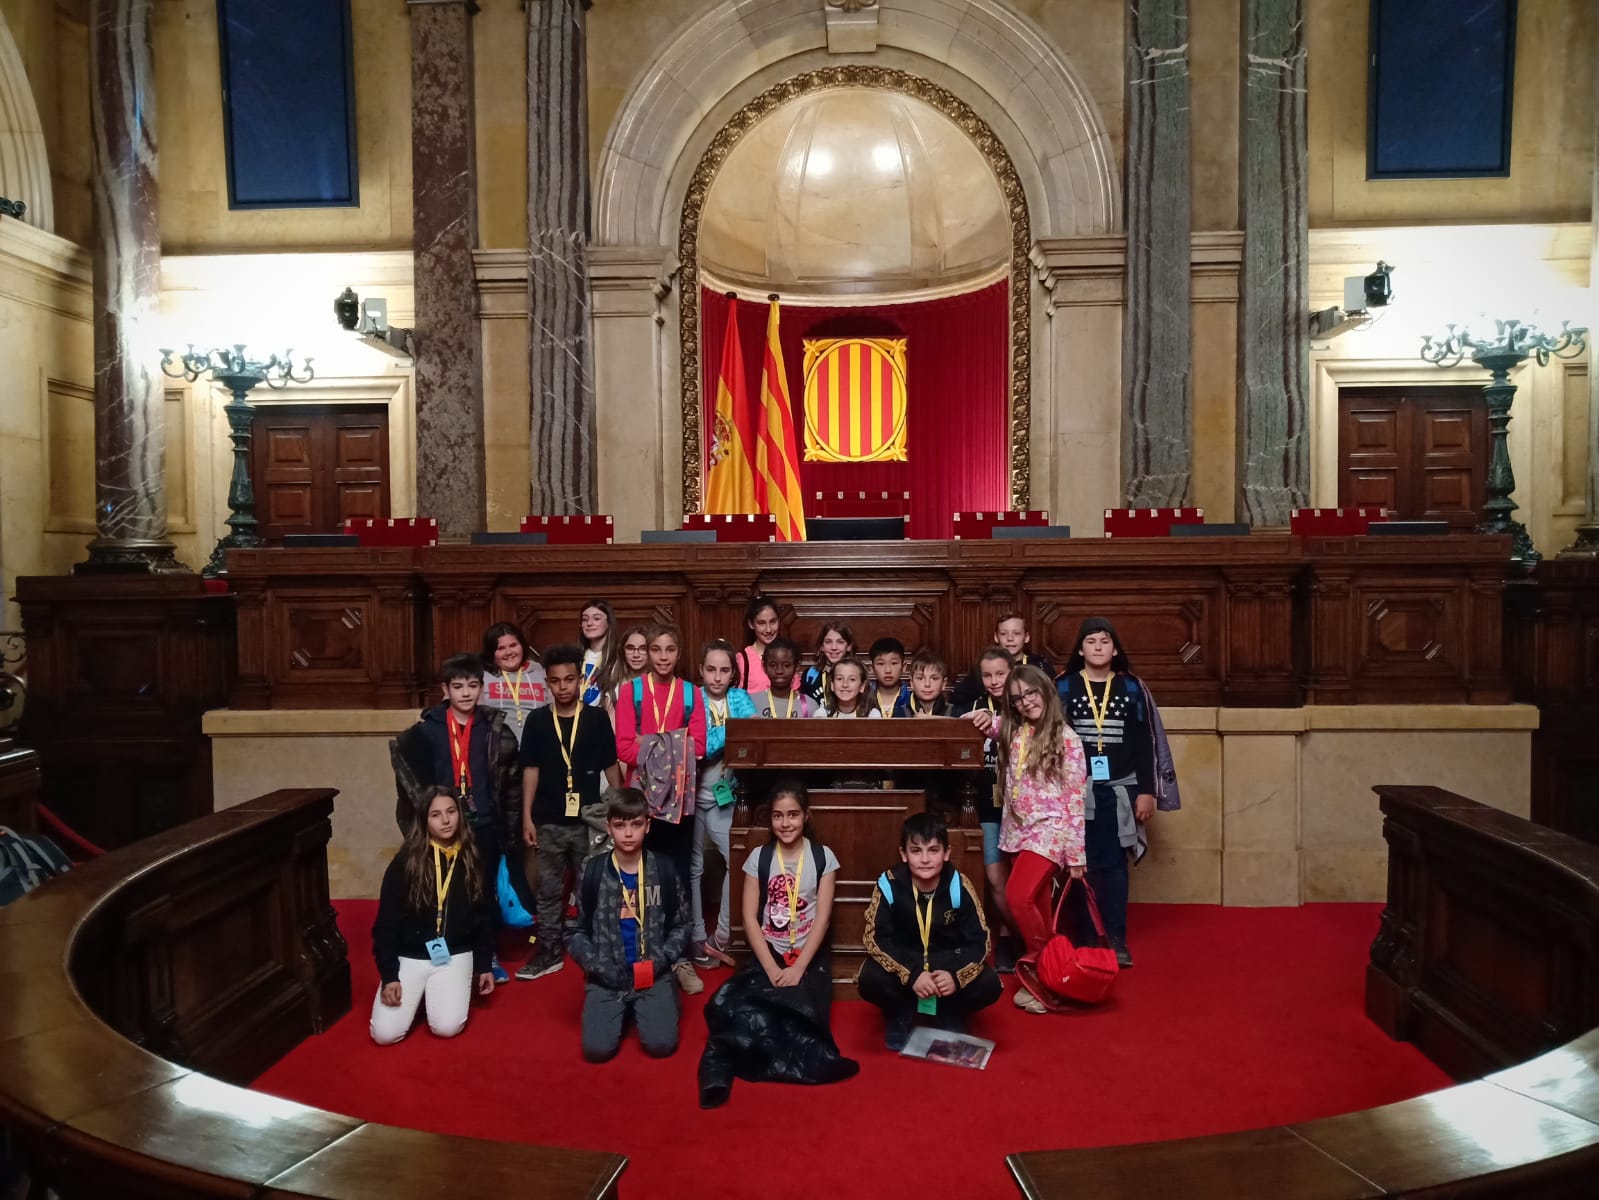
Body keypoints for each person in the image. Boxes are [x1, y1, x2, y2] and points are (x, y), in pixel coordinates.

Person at [697, 780, 859, 1106]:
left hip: (807, 955)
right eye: (778, 816)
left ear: (806, 816)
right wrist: (771, 967)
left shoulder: (823, 857)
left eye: (793, 815)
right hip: (769, 951)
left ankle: (766, 1059)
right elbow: (749, 917)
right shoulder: (760, 857)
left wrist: (798, 968)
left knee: (798, 1016)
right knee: (735, 1009)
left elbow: (823, 919)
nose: (785, 823)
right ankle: (717, 1072)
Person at [390, 652, 523, 983]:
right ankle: (446, 952)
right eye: (458, 686)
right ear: (445, 690)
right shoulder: (425, 733)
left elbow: (511, 786)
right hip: (443, 828)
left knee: (484, 891)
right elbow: (409, 791)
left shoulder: (495, 730)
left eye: (473, 685)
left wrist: (512, 831)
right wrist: (418, 830)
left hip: (484, 824)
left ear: (481, 688)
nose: (466, 693)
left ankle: (486, 957)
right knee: (444, 891)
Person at [517, 643, 621, 981]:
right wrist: (527, 816)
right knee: (548, 890)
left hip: (589, 820)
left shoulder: (596, 719)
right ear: (547, 682)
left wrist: (619, 809)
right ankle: (548, 950)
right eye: (556, 680)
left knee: (593, 887)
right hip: (548, 820)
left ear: (580, 680)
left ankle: (596, 946)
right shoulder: (537, 721)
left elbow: (610, 766)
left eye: (569, 679)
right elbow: (530, 770)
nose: (563, 687)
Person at [614, 622, 707, 994]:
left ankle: (680, 956)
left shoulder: (690, 694)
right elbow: (624, 748)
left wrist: (648, 743)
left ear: (679, 654)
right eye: (656, 650)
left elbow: (699, 747)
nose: (663, 657)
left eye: (670, 650)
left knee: (678, 877)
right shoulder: (631, 691)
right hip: (641, 801)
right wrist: (674, 745)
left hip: (680, 801)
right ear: (647, 653)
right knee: (641, 876)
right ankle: (643, 952)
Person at [1057, 617, 1157, 967]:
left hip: (1119, 791)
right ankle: (1085, 937)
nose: (1098, 647)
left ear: (1115, 649)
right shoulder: (1064, 686)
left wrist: (1147, 791)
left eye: (1104, 641)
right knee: (1079, 865)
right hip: (1075, 792)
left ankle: (1116, 938)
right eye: (1091, 641)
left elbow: (1144, 743)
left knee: (1114, 866)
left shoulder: (1131, 687)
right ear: (1080, 649)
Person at [859, 811, 1001, 1049]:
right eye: (916, 851)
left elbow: (980, 940)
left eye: (933, 850)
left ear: (946, 853)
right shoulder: (889, 883)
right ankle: (900, 1012)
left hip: (946, 965)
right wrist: (912, 974)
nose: (925, 859)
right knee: (869, 978)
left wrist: (955, 976)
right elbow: (875, 938)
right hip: (907, 965)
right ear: (904, 854)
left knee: (990, 983)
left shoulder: (959, 885)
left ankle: (950, 1012)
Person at [569, 788, 691, 1062]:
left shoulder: (663, 868)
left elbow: (683, 925)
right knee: (596, 1051)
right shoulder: (592, 869)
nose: (628, 834)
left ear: (647, 826)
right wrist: (596, 965)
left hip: (652, 974)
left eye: (636, 825)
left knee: (661, 1045)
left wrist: (661, 960)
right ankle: (619, 1006)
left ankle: (662, 995)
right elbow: (573, 929)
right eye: (620, 825)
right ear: (608, 827)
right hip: (606, 977)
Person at [993, 664, 1088, 1014]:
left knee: (1017, 896)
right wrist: (975, 716)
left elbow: (1076, 800)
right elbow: (990, 724)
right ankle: (1055, 979)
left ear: (1045, 691)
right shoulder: (1015, 731)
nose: (1026, 702)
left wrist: (1076, 855)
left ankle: (1040, 969)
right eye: (1017, 698)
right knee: (1038, 906)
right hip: (1018, 832)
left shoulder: (1067, 738)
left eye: (1031, 693)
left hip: (1051, 832)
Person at [371, 787, 495, 1044]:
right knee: (384, 1035)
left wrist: (484, 965)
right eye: (436, 815)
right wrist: (390, 976)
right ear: (424, 820)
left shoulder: (473, 857)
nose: (446, 820)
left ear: (460, 814)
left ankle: (435, 993)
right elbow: (385, 924)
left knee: (446, 1027)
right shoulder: (405, 862)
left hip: (455, 952)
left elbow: (484, 917)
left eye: (451, 812)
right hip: (411, 954)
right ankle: (419, 996)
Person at [693, 639, 756, 970]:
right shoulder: (691, 698)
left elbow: (750, 735)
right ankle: (695, 936)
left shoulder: (740, 698)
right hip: (690, 796)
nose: (717, 677)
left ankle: (721, 936)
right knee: (693, 867)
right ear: (701, 671)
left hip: (725, 794)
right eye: (711, 669)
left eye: (724, 670)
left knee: (737, 860)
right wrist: (728, 734)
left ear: (733, 673)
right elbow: (698, 746)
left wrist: (712, 738)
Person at [956, 646, 1019, 971]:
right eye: (987, 675)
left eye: (1000, 674)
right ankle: (1015, 936)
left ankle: (1020, 937)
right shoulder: (973, 707)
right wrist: (967, 723)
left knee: (1022, 880)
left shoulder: (1025, 704)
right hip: (987, 804)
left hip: (1022, 807)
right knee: (996, 877)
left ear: (1012, 673)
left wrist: (996, 721)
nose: (994, 681)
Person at [953, 613, 1055, 708]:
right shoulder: (985, 666)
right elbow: (958, 698)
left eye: (1016, 633)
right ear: (996, 637)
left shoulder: (1039, 666)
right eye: (1003, 634)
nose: (1010, 638)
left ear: (1026, 637)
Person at [480, 622, 548, 745]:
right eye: (501, 648)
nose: (509, 652)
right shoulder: (481, 677)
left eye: (513, 645)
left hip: (538, 746)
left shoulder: (541, 673)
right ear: (491, 653)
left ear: (522, 646)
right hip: (498, 749)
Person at [747, 637, 819, 718]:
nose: (779, 671)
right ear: (764, 667)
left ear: (796, 667)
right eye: (773, 665)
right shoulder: (751, 703)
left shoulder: (809, 705)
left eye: (786, 665)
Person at [799, 622, 855, 707]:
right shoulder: (810, 675)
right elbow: (804, 707)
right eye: (828, 642)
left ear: (849, 646)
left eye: (840, 642)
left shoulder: (857, 674)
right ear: (822, 646)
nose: (834, 647)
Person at [601, 624, 650, 721]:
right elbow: (610, 725)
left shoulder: (659, 683)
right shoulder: (615, 686)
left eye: (643, 648)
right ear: (622, 651)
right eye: (630, 648)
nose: (636, 655)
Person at [737, 594, 781, 696]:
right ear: (751, 624)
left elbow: (795, 696)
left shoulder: (787, 655)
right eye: (762, 623)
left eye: (773, 622)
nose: (768, 629)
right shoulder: (743, 660)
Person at [578, 599, 616, 707]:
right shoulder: (573, 657)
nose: (589, 623)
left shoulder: (618, 659)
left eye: (596, 618)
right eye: (585, 619)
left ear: (608, 623)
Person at [867, 636, 912, 718]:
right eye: (881, 664)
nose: (888, 670)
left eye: (894, 663)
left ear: (904, 667)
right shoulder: (864, 699)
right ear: (871, 668)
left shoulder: (912, 700)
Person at [906, 651, 954, 717]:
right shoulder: (900, 712)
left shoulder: (955, 712)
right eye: (920, 678)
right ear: (911, 682)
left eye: (934, 679)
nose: (927, 684)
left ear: (943, 683)